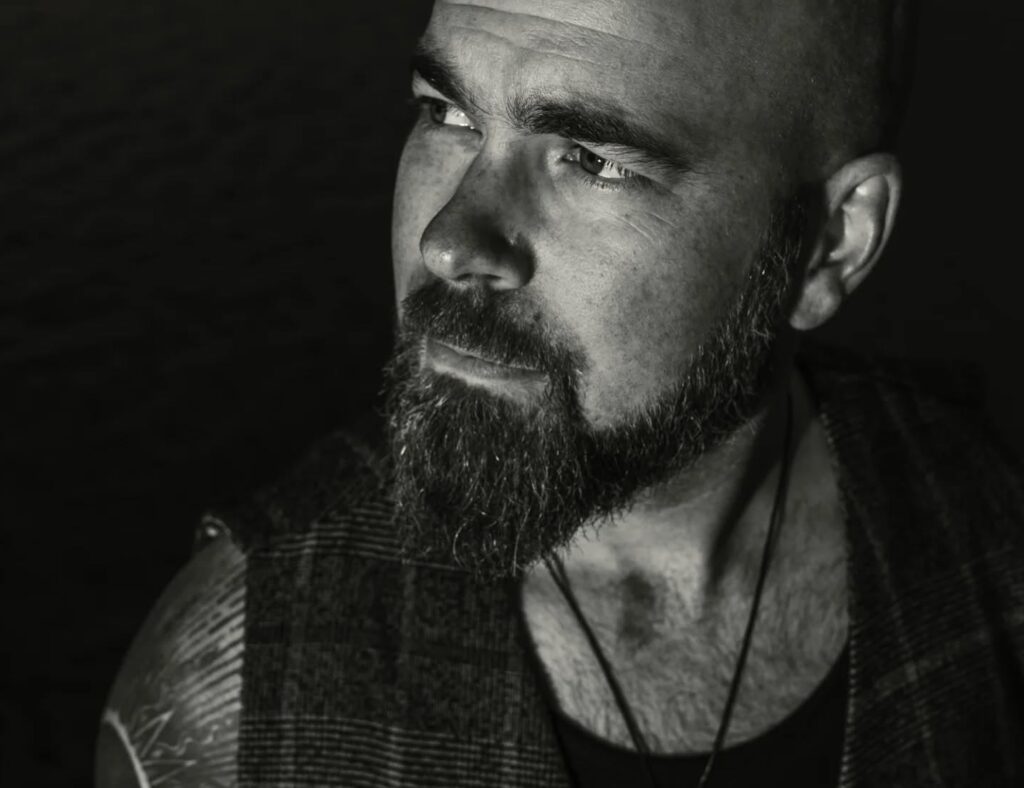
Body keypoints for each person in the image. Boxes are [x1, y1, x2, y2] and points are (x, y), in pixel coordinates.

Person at [96, 0, 1024, 785]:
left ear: (831, 244)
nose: (449, 242)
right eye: (447, 114)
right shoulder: (234, 687)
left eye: (592, 159)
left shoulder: (990, 534)